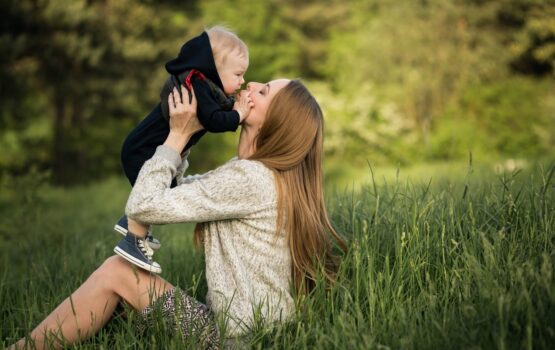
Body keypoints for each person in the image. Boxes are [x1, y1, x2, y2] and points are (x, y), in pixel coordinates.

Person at [9, 79, 347, 349]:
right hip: (251, 335)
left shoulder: (250, 179)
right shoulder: (252, 174)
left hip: (234, 342)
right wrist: (189, 133)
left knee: (118, 272)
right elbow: (174, 191)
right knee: (121, 289)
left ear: (277, 122)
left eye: (263, 91)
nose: (251, 86)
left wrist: (177, 135)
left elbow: (143, 204)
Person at [113, 26, 252, 274]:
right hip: (142, 150)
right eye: (239, 74)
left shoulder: (201, 84)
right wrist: (239, 114)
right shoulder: (196, 83)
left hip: (144, 147)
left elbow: (215, 110)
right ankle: (133, 238)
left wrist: (233, 109)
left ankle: (133, 222)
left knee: (166, 189)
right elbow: (215, 121)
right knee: (156, 195)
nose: (242, 81)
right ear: (214, 69)